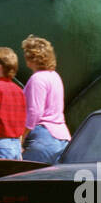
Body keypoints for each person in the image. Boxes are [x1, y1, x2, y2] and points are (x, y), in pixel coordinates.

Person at [21, 35, 71, 164]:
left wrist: (20, 138)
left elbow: (34, 112)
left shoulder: (37, 79)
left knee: (24, 180)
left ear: (30, 58)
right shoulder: (55, 77)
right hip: (62, 139)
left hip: (42, 138)